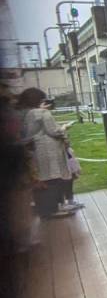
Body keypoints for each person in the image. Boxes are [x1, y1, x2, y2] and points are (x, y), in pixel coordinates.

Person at [18, 89, 74, 221]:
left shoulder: (29, 114)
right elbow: (54, 131)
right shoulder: (43, 113)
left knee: (44, 179)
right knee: (54, 179)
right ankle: (54, 208)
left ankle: (46, 209)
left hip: (38, 150)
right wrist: (64, 127)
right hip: (50, 151)